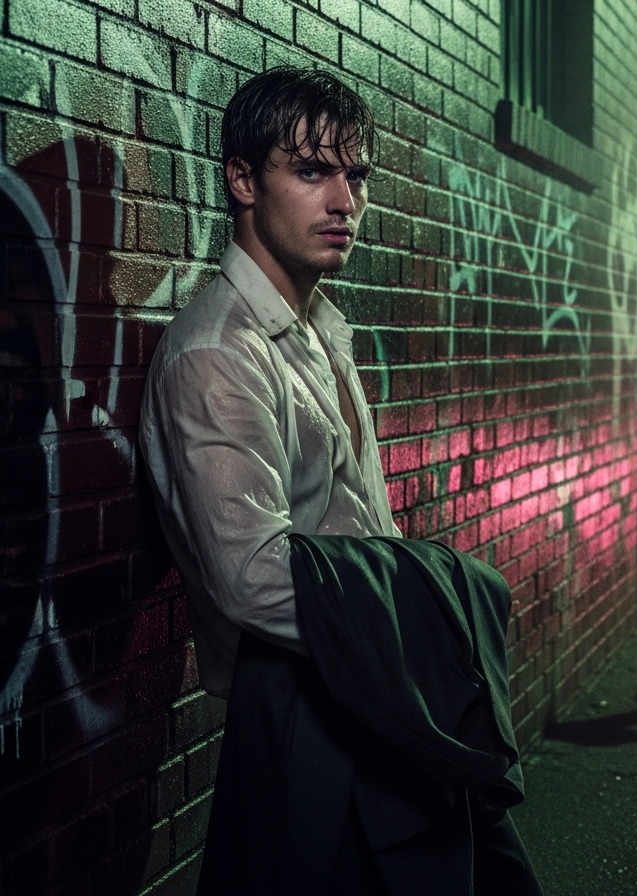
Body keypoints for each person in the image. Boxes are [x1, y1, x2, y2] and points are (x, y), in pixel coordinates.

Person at [139, 67, 542, 895]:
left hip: (373, 686)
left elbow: (359, 525)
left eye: (354, 175)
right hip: (302, 705)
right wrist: (424, 597)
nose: (343, 201)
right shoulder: (220, 353)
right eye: (312, 171)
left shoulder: (323, 326)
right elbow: (250, 578)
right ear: (243, 181)